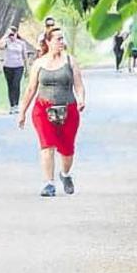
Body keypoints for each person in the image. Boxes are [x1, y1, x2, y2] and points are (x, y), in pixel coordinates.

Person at [17, 26, 86, 197]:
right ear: (48, 42)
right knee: (47, 145)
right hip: (43, 109)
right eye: (58, 39)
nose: (62, 42)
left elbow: (78, 84)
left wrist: (81, 99)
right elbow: (31, 88)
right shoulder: (39, 63)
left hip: (68, 109)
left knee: (67, 149)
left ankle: (65, 174)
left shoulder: (70, 61)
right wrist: (22, 112)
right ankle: (49, 183)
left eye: (63, 39)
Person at [0, 26, 27, 114]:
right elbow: (0, 45)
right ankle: (12, 106)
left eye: (12, 34)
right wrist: (5, 35)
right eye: (10, 35)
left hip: (19, 66)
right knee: (10, 86)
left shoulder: (21, 43)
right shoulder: (6, 42)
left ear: (16, 34)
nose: (11, 36)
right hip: (8, 66)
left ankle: (16, 105)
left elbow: (25, 56)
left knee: (16, 84)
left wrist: (27, 69)